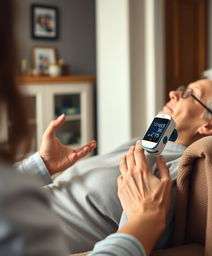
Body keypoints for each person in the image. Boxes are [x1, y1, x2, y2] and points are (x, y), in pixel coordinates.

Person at [0, 1, 172, 255]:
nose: (173, 94)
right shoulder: (14, 206)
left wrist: (40, 164)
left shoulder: (179, 163)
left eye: (191, 93)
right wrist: (144, 222)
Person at [19, 66, 212, 254]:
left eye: (190, 94)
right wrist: (42, 165)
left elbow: (142, 235)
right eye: (181, 89)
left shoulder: (180, 169)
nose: (173, 94)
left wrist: (142, 217)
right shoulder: (141, 143)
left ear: (211, 125)